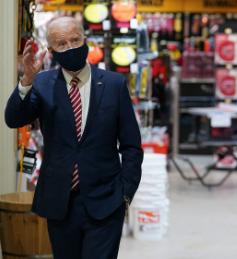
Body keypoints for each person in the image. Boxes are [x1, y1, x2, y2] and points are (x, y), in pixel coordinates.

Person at [4, 16, 143, 259]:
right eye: (62, 43)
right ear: (51, 50)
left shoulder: (113, 84)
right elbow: (13, 119)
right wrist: (26, 80)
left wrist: (125, 193)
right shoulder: (43, 83)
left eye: (75, 40)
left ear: (85, 39)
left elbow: (131, 145)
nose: (70, 47)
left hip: (107, 201)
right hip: (60, 202)